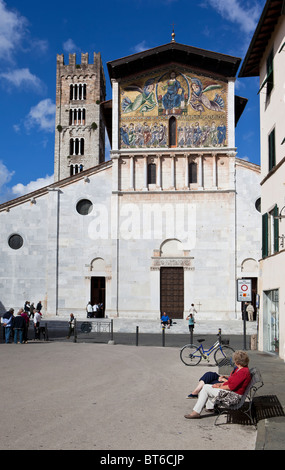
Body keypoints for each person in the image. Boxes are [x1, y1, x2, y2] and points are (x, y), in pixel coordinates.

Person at [184, 350, 251, 419]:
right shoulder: (241, 369)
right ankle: (209, 408)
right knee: (206, 386)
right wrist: (220, 384)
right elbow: (232, 382)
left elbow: (231, 387)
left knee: (206, 388)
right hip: (232, 393)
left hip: (233, 397)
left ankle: (196, 412)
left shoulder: (242, 372)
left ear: (237, 362)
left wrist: (218, 387)